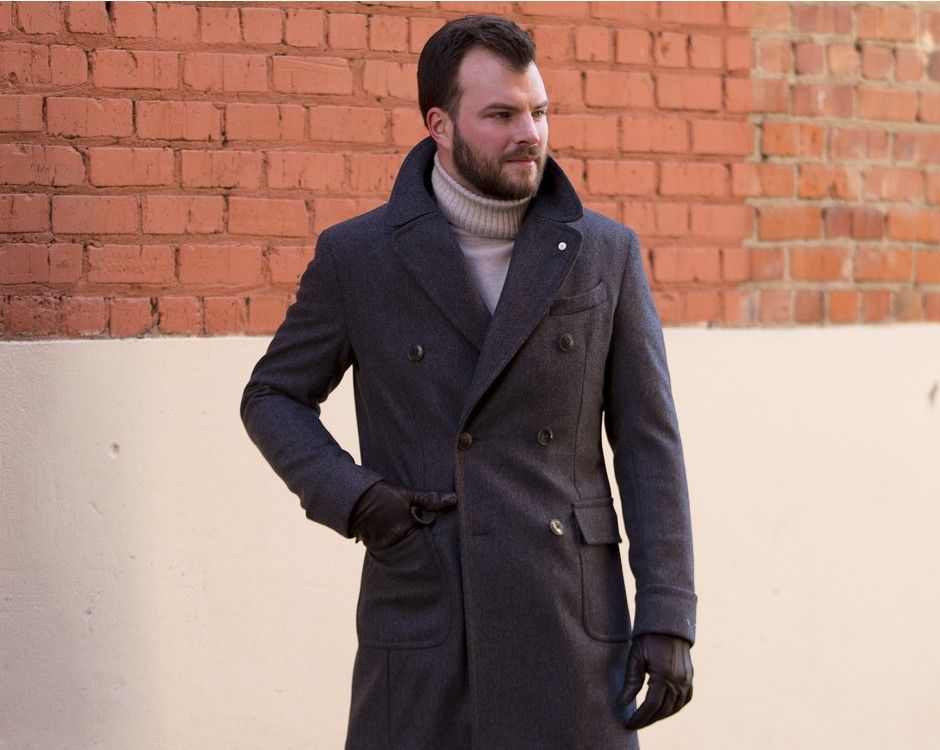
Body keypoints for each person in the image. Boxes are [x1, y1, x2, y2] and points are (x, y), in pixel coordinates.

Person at [241, 14, 696, 750]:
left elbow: (649, 444)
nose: (531, 133)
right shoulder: (360, 257)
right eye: (502, 115)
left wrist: (669, 612)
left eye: (539, 111)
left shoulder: (603, 253)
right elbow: (272, 396)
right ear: (440, 125)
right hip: (424, 611)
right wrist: (356, 500)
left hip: (570, 619)